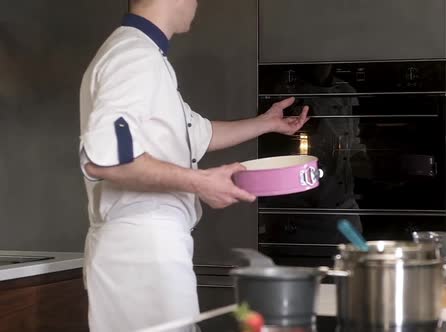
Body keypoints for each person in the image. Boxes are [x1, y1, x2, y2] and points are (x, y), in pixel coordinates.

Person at [78, 0, 309, 331]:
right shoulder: (133, 57)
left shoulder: (148, 58)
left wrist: (266, 123)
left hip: (150, 249)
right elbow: (106, 160)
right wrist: (200, 182)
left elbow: (199, 134)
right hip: (140, 252)